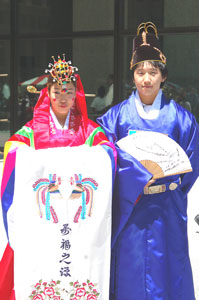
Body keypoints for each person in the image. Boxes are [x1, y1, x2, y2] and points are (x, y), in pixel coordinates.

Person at [0, 55, 116, 300]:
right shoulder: (31, 131)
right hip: (41, 220)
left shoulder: (89, 131)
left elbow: (109, 154)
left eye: (69, 92)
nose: (63, 99)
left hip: (79, 221)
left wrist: (97, 155)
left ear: (77, 95)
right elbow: (11, 151)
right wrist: (24, 155)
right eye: (57, 92)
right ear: (48, 94)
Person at [97, 22, 199, 300]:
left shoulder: (181, 118)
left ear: (163, 77)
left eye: (153, 72)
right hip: (131, 208)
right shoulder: (115, 118)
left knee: (169, 267)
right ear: (132, 77)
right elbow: (103, 157)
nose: (146, 79)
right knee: (130, 269)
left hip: (167, 207)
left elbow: (189, 165)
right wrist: (134, 179)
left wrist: (169, 183)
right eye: (140, 72)